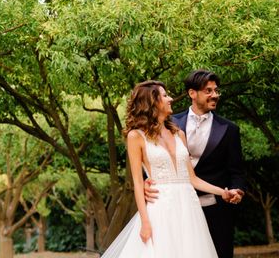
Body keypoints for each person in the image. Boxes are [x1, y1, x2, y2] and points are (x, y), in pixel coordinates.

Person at [101, 80, 238, 258]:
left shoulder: (179, 134)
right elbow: (137, 182)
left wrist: (223, 192)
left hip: (189, 208)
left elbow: (192, 178)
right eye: (165, 95)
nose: (170, 99)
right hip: (161, 209)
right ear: (152, 102)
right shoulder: (136, 136)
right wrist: (145, 222)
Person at [169, 70, 246, 258]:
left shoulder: (230, 129)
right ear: (192, 93)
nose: (215, 95)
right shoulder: (169, 123)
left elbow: (237, 171)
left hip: (217, 209)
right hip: (177, 205)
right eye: (208, 91)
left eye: (216, 90)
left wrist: (237, 190)